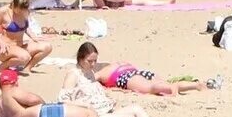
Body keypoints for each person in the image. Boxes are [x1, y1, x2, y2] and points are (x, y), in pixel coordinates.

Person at [0, 67, 163, 117]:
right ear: (13, 81)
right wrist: (41, 103)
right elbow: (33, 100)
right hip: (43, 114)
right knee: (90, 114)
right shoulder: (12, 91)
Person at [65, 40, 203, 102]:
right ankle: (195, 85)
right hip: (133, 71)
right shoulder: (114, 64)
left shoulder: (98, 74)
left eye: (94, 61)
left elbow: (89, 85)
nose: (93, 64)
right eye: (90, 61)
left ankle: (174, 88)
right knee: (161, 83)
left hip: (125, 77)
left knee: (151, 88)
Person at [0, 0, 53, 72]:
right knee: (25, 57)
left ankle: (27, 68)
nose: (20, 12)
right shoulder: (4, 11)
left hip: (21, 45)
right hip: (6, 48)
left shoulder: (25, 11)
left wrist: (33, 36)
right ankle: (2, 67)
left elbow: (25, 26)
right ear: (14, 5)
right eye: (19, 10)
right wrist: (1, 42)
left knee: (47, 47)